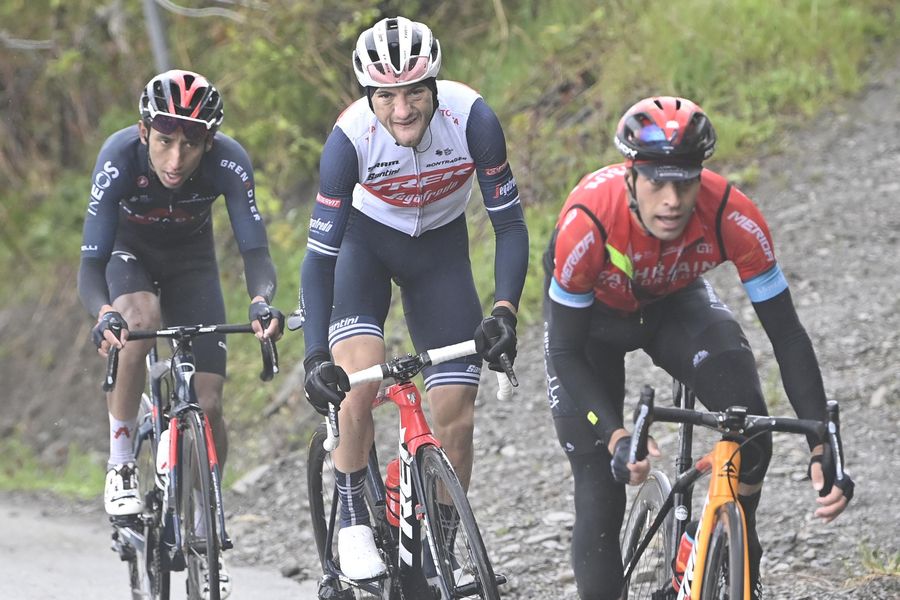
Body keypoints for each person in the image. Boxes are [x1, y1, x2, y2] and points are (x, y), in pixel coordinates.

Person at [542, 96, 854, 600]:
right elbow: (564, 352)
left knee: (750, 424)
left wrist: (822, 441)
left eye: (685, 183)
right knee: (601, 485)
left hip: (673, 303)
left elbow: (788, 335)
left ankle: (732, 548)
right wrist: (616, 435)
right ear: (630, 177)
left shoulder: (732, 213)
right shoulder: (587, 223)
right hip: (591, 327)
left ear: (700, 177)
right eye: (656, 183)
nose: (672, 200)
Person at [298, 16, 528, 580]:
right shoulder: (349, 140)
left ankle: (437, 557)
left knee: (456, 413)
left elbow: (510, 225)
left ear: (434, 86)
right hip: (364, 250)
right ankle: (353, 520)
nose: (402, 110)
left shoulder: (472, 120)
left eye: (414, 93)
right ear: (368, 96)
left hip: (440, 257)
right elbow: (320, 259)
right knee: (360, 377)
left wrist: (504, 311)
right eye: (386, 96)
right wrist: (314, 356)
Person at [78, 69, 283, 597]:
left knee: (209, 403)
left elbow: (254, 250)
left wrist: (261, 301)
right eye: (164, 142)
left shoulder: (228, 161)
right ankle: (123, 462)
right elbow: (91, 263)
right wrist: (104, 312)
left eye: (190, 146)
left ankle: (205, 523)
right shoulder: (119, 157)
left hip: (192, 264)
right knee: (139, 321)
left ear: (208, 142)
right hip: (127, 254)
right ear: (144, 132)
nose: (175, 160)